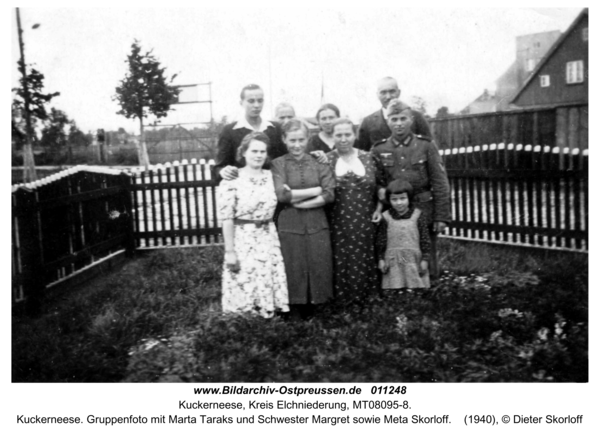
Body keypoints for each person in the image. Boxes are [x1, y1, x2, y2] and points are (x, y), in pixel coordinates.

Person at [371, 99, 450, 279]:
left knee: (426, 255)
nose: (398, 124)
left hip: (424, 211)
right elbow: (375, 181)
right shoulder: (378, 149)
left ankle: (430, 296)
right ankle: (400, 297)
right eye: (394, 119)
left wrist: (441, 216)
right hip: (394, 212)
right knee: (396, 254)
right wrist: (380, 191)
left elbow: (440, 182)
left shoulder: (426, 146)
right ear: (387, 121)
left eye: (402, 118)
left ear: (411, 120)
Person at [217, 131, 289, 318]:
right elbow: (226, 218)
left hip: (267, 235)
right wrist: (230, 251)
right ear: (243, 153)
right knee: (244, 277)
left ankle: (267, 313)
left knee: (266, 275)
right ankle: (244, 321)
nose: (258, 155)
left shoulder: (272, 176)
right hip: (243, 237)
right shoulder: (232, 179)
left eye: (262, 152)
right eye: (254, 151)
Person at [271, 119, 335, 318]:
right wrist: (315, 190)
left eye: (301, 140)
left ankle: (319, 307)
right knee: (293, 263)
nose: (297, 145)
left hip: (316, 221)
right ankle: (295, 307)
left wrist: (299, 201)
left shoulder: (318, 162)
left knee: (318, 262)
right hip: (290, 224)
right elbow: (281, 194)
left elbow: (330, 194)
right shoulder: (278, 164)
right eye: (292, 140)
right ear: (284, 139)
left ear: (308, 139)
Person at [326, 118, 384, 301]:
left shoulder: (369, 157)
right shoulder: (326, 160)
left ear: (355, 135)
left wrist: (379, 208)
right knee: (341, 258)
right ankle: (343, 304)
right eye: (338, 135)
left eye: (347, 134)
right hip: (337, 222)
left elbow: (381, 186)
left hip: (366, 220)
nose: (343, 139)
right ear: (332, 136)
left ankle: (369, 301)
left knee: (366, 256)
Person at [214, 84, 287, 181]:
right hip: (243, 188)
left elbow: (286, 159)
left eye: (260, 101)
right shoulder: (230, 131)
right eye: (251, 101)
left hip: (271, 187)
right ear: (241, 103)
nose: (256, 105)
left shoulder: (275, 128)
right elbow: (219, 167)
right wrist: (223, 171)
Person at [376, 179, 431, 291]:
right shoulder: (386, 217)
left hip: (413, 261)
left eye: (402, 198)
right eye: (394, 199)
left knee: (416, 289)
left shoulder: (418, 216)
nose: (399, 202)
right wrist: (381, 259)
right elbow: (381, 241)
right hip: (393, 261)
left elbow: (425, 240)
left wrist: (425, 259)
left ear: (409, 198)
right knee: (395, 289)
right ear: (389, 200)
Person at [355, 77, 432, 151]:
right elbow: (362, 153)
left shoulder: (417, 117)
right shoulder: (368, 122)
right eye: (383, 92)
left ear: (399, 92)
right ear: (377, 95)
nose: (388, 97)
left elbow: (429, 147)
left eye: (392, 91)